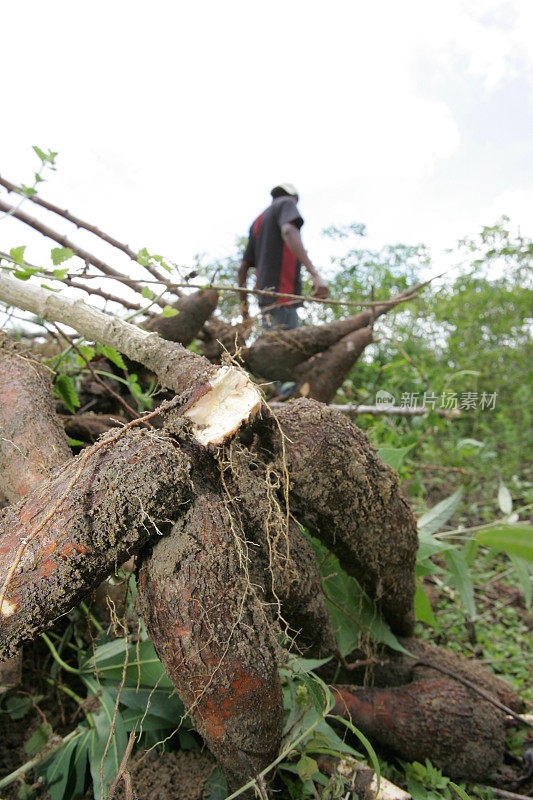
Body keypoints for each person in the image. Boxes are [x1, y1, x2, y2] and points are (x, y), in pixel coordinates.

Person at [238, 183, 328, 330]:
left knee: (271, 346)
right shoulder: (287, 202)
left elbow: (242, 269)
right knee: (285, 349)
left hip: (265, 302)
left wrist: (244, 314)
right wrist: (315, 275)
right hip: (283, 297)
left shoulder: (257, 222)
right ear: (294, 197)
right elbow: (288, 231)